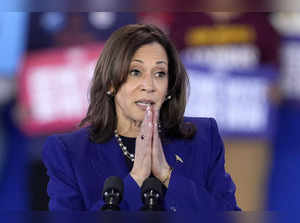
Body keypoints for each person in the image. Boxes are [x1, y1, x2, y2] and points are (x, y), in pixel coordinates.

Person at [43, 24, 240, 211]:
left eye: (160, 73)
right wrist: (135, 180)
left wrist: (167, 176)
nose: (149, 85)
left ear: (170, 87)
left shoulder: (203, 138)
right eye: (135, 72)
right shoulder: (69, 152)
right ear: (111, 83)